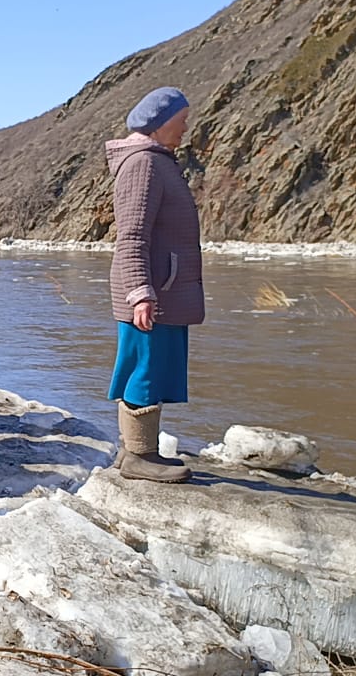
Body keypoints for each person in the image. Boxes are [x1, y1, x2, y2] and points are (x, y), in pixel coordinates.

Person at [105, 87, 202, 483]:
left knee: (153, 367)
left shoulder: (158, 161)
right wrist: (140, 293)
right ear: (160, 124)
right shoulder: (143, 163)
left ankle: (134, 451)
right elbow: (131, 236)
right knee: (144, 369)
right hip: (152, 290)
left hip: (163, 285)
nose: (185, 128)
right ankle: (139, 457)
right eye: (181, 121)